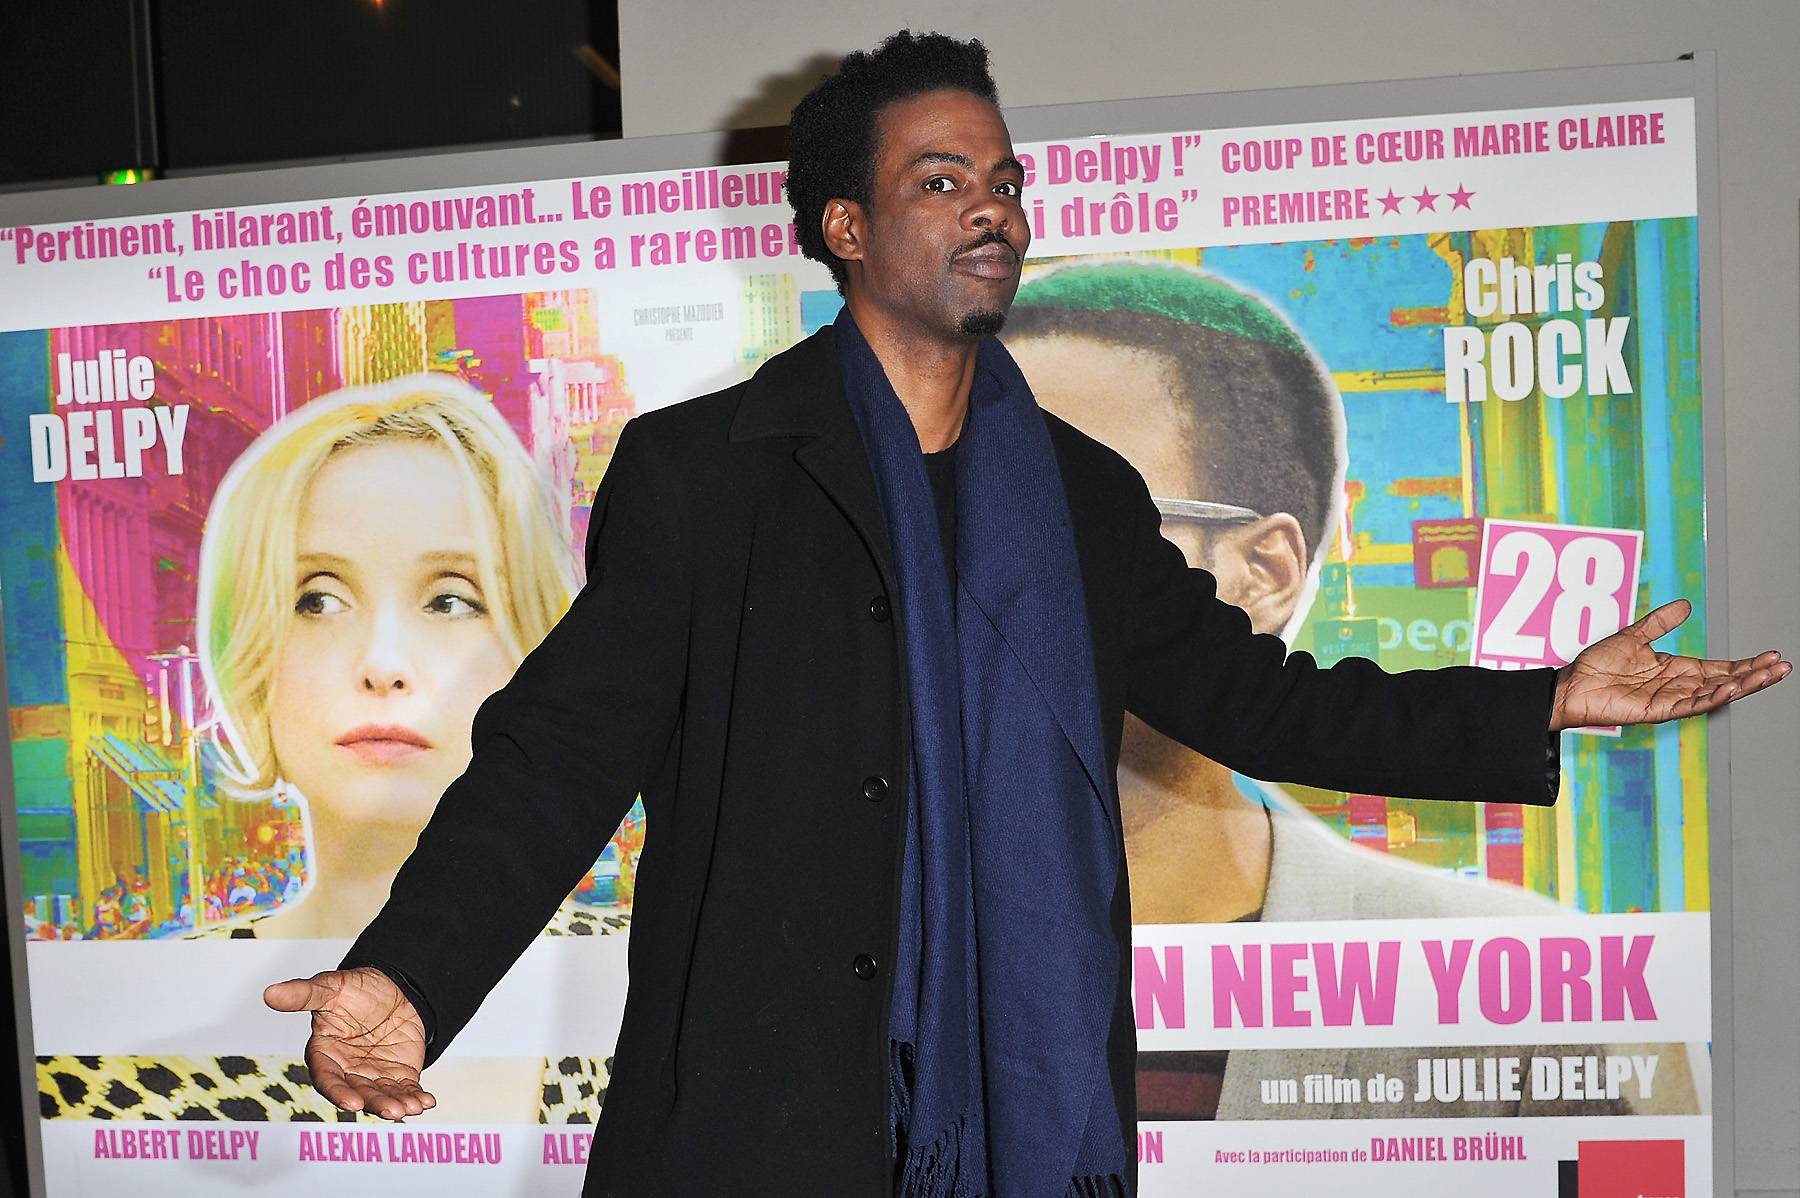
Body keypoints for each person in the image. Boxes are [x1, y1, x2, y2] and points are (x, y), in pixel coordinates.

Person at [265, 32, 1787, 1198]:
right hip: (760, 1126)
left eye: (1003, 180)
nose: (993, 210)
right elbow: (559, 754)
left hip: (1022, 1113)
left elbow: (1265, 702)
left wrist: (1538, 701)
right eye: (943, 181)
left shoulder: (1076, 494)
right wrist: (407, 972)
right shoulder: (709, 474)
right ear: (847, 228)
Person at [1002, 257, 1699, 1120]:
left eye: (1076, 529)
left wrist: (1544, 699)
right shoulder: (882, 954)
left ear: (1263, 572)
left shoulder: (1530, 1000)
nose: (997, 581)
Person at [195, 372, 583, 938]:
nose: (384, 666)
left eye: (450, 601)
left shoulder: (646, 979)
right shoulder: (149, 1001)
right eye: (318, 599)